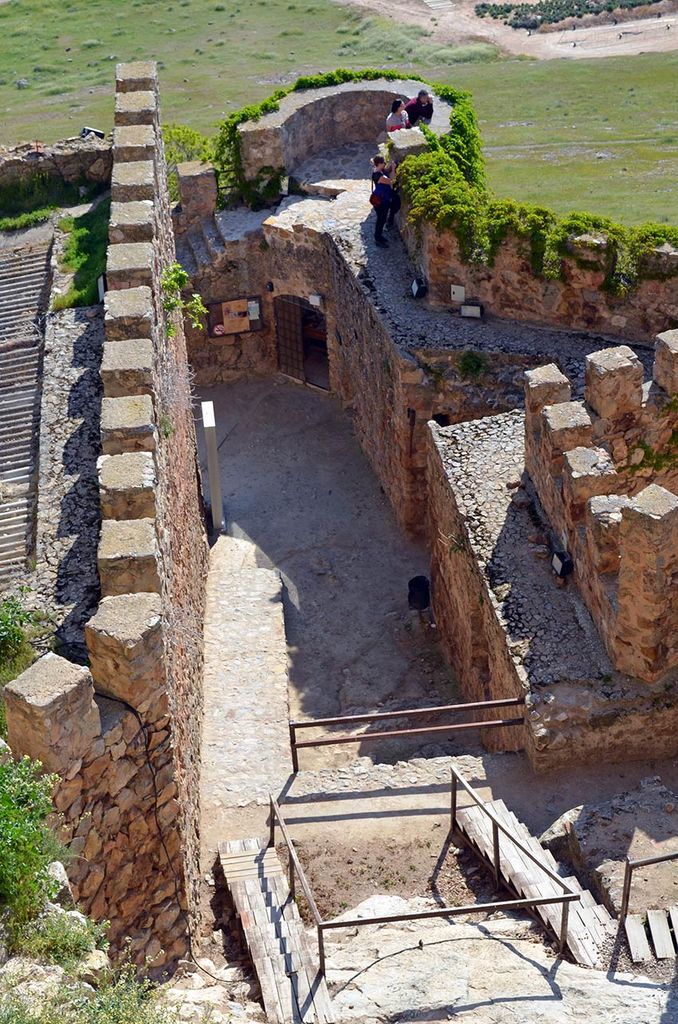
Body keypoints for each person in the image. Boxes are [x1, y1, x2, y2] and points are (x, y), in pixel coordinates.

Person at [370, 155, 401, 248]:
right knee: (380, 220)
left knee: (384, 217)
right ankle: (377, 238)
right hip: (381, 202)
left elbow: (389, 175)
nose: (385, 164)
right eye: (383, 163)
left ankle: (381, 235)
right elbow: (391, 181)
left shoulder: (380, 171)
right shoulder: (378, 176)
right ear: (379, 164)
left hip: (384, 200)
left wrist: (391, 168)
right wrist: (393, 169)